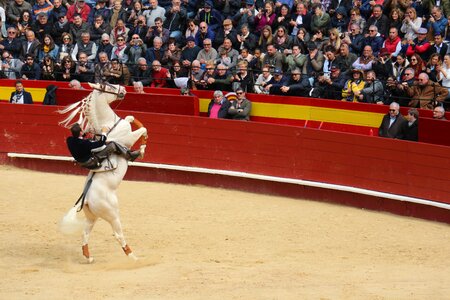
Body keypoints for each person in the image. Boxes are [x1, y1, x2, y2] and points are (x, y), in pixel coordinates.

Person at [66, 123, 140, 169]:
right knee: (112, 145)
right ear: (80, 132)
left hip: (81, 160)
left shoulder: (69, 140)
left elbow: (79, 138)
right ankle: (129, 155)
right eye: (82, 129)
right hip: (91, 161)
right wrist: (104, 132)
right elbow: (100, 143)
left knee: (96, 141)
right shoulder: (84, 143)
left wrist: (85, 133)